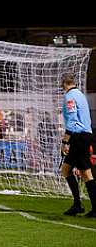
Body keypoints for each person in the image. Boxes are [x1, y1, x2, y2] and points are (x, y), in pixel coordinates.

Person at [59, 74, 95, 217]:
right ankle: (79, 205)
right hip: (85, 136)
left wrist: (65, 141)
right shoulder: (81, 95)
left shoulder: (70, 97)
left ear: (63, 84)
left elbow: (73, 121)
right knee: (74, 171)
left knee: (78, 172)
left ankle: (79, 205)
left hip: (78, 137)